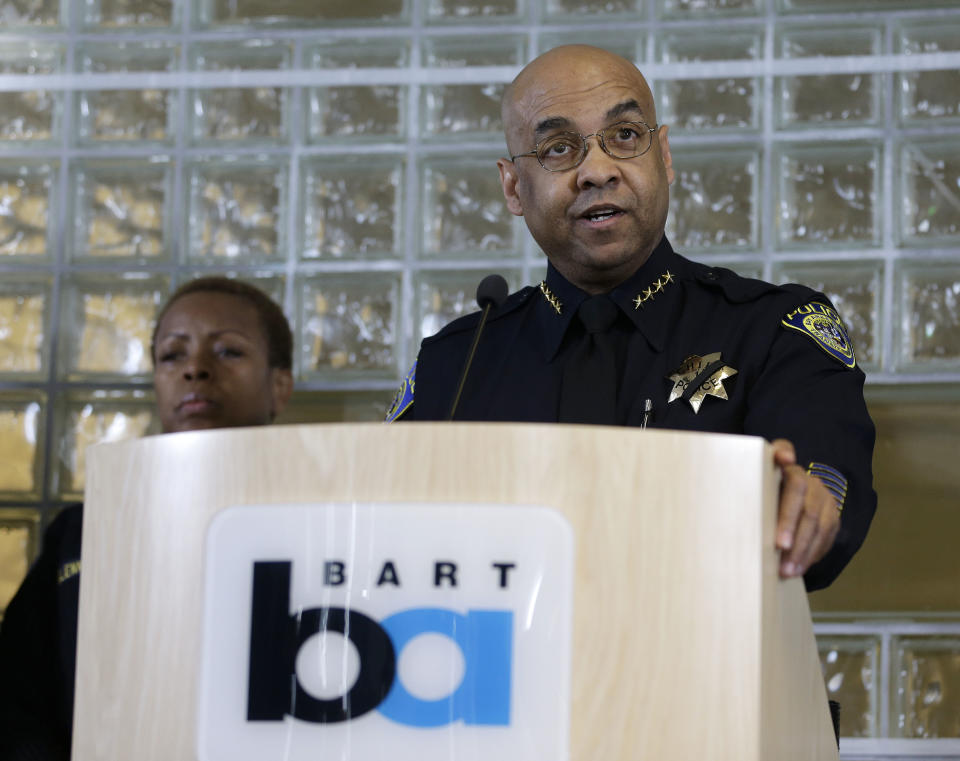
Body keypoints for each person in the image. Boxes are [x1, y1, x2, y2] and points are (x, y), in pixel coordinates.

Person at [386, 44, 876, 592]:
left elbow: (827, 470)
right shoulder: (454, 366)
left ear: (663, 156)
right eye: (558, 148)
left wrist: (806, 503)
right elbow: (381, 539)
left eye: (624, 136)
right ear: (512, 187)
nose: (597, 171)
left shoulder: (773, 329)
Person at [0, 277, 294, 761]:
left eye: (228, 352)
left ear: (279, 385)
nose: (195, 369)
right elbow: (17, 697)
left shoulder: (323, 524)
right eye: (172, 355)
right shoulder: (82, 532)